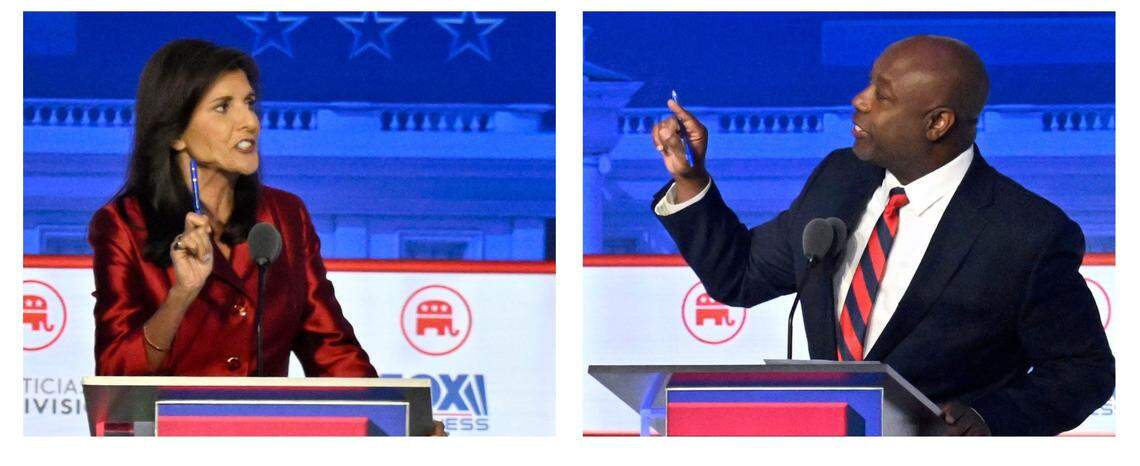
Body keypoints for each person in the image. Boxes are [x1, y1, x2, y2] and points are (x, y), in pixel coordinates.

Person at [650, 35, 1113, 436]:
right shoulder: (840, 177)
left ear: (938, 123)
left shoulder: (1026, 232)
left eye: (882, 95)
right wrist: (691, 182)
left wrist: (988, 419)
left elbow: (1082, 371)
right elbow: (741, 275)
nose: (860, 99)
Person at [89, 39, 376, 378]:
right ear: (176, 133)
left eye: (249, 103)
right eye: (223, 107)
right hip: (174, 428)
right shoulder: (124, 224)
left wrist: (395, 423)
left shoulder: (285, 216)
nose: (250, 122)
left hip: (265, 429)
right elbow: (116, 371)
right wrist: (181, 296)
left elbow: (332, 350)